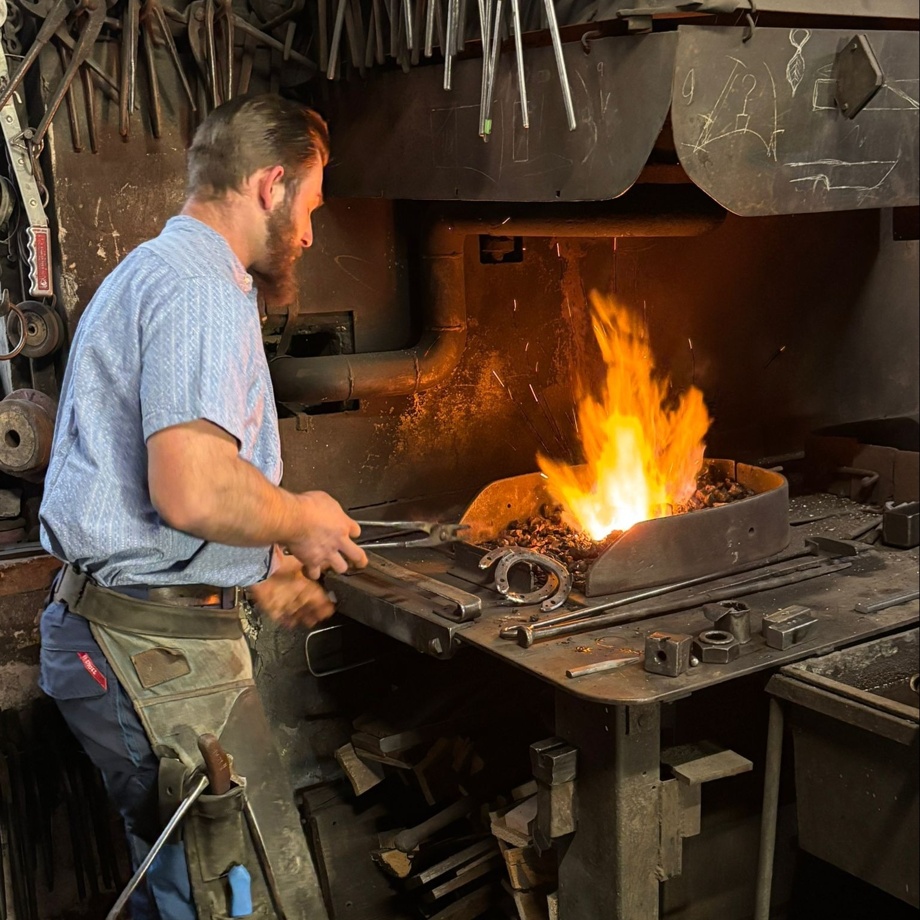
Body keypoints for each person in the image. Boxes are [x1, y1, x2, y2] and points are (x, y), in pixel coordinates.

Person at [37, 94, 366, 920]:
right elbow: (188, 486)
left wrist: (259, 567)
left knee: (184, 882)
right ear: (269, 185)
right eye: (311, 208)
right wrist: (299, 517)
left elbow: (140, 483)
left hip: (124, 635)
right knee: (219, 894)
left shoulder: (149, 269)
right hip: (149, 652)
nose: (309, 234)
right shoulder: (204, 288)